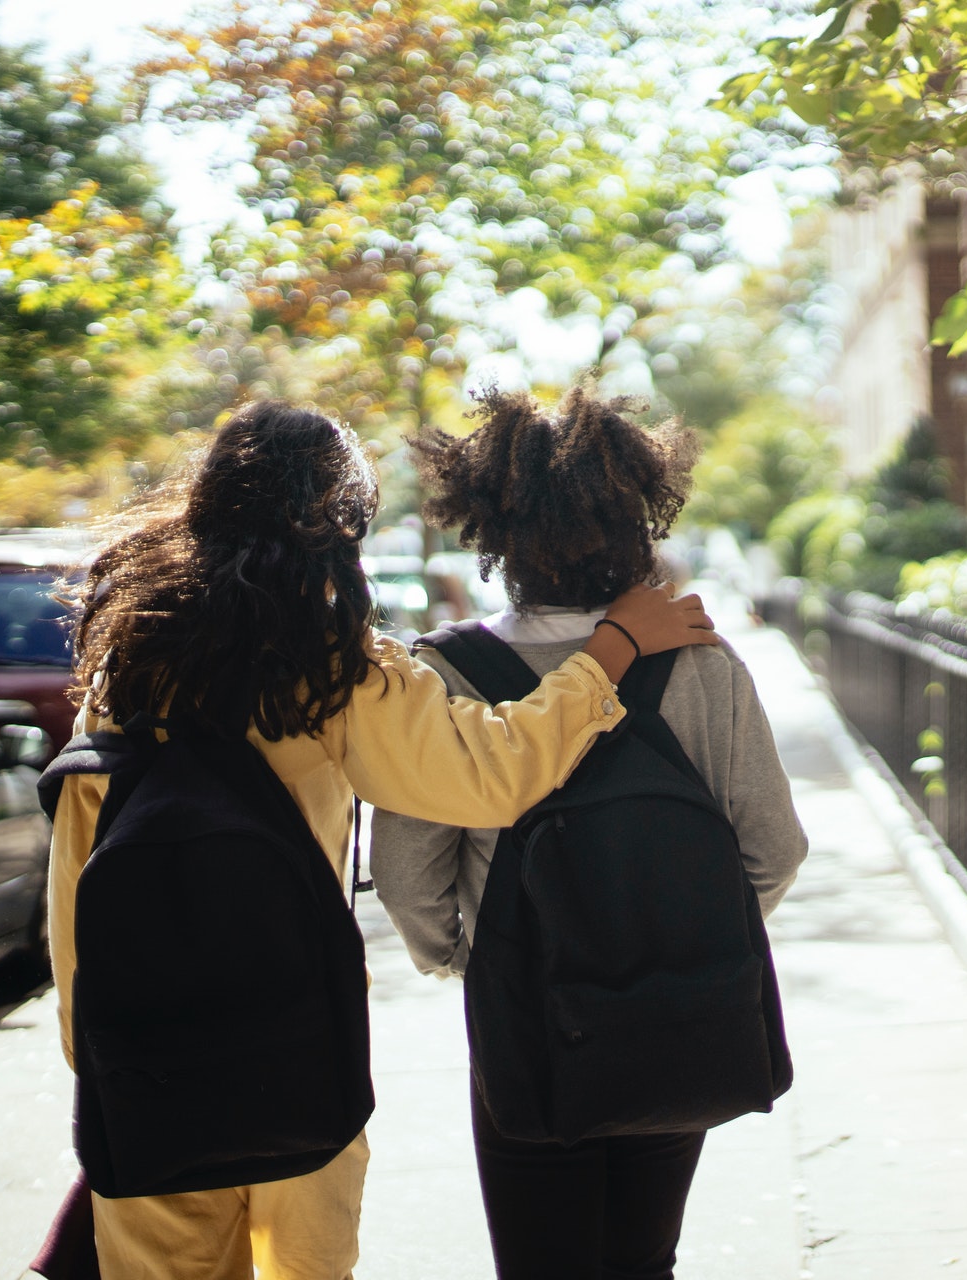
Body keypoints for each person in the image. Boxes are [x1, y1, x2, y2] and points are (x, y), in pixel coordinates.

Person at [47, 401, 720, 1280]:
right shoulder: (325, 669)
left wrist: (93, 1054)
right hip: (291, 1042)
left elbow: (78, 865)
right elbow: (493, 771)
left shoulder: (124, 653)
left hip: (141, 1049)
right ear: (338, 522)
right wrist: (614, 650)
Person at [371, 388, 807, 1280]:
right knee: (645, 1261)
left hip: (527, 1016)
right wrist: (690, 933)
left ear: (493, 532)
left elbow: (410, 872)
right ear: (637, 519)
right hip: (678, 1007)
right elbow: (774, 847)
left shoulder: (447, 672)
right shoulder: (700, 660)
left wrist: (468, 957)